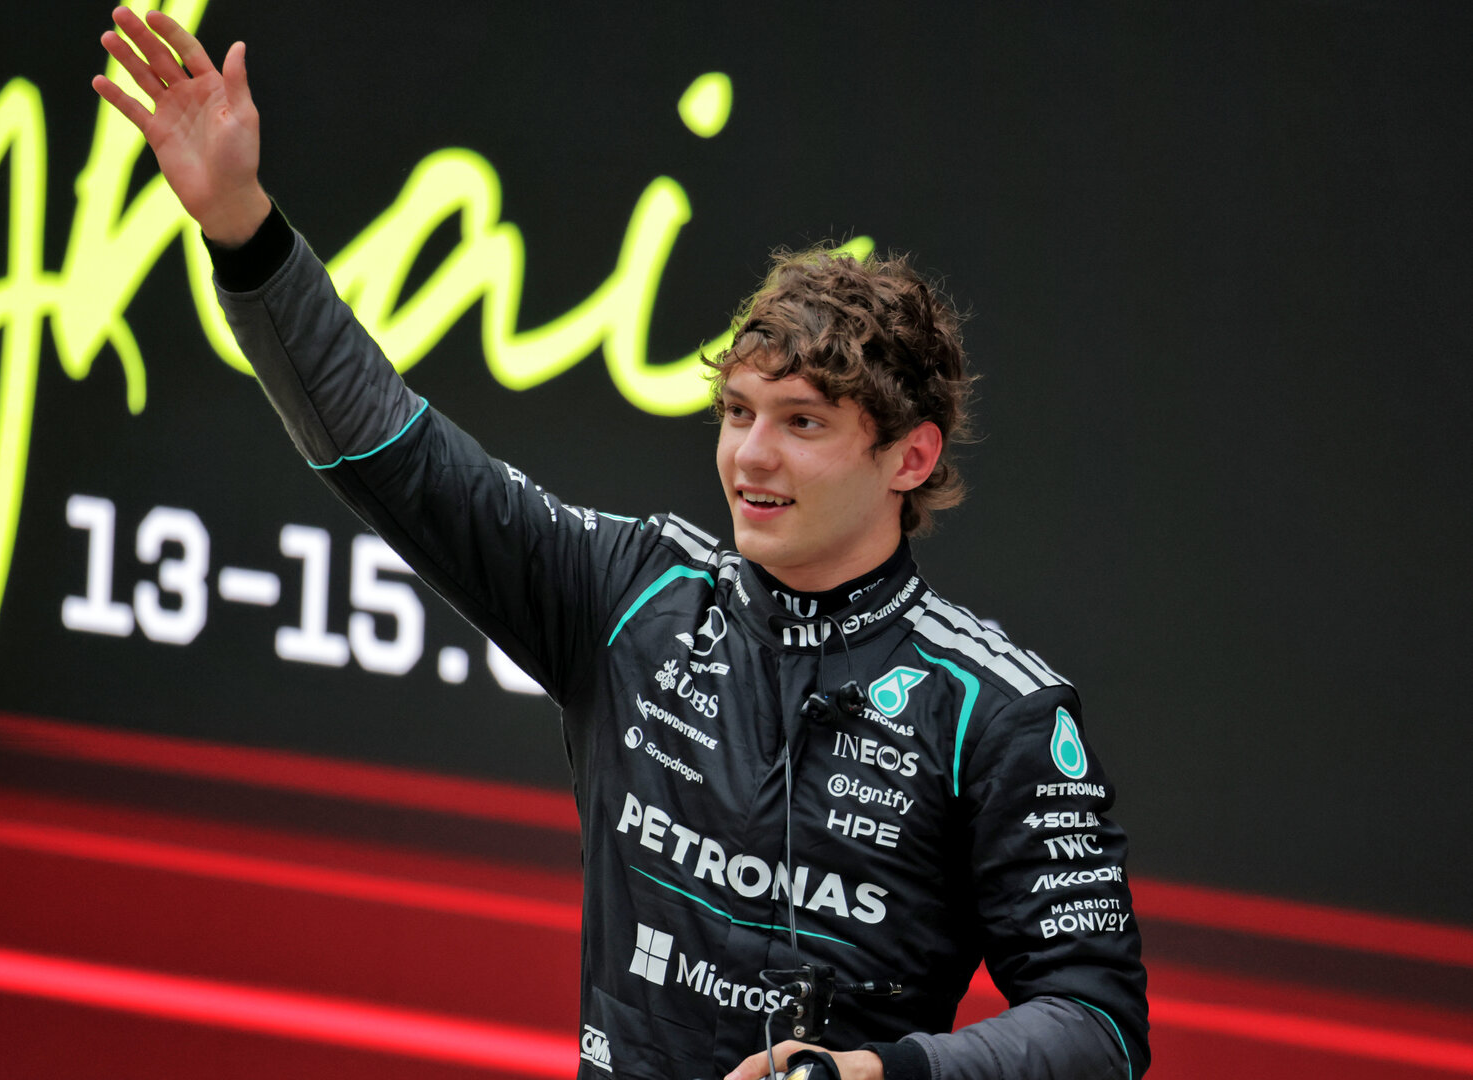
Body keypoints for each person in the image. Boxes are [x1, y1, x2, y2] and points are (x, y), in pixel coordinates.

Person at [94, 8, 1149, 1079]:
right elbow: (387, 449)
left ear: (909, 458)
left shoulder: (996, 713)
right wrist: (240, 224)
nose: (751, 458)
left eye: (803, 423)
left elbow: (1097, 1025)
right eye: (738, 412)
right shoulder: (632, 594)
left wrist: (885, 1074)